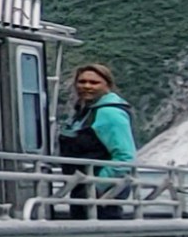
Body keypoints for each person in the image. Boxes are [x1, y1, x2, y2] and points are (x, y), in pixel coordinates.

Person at [58, 62, 137, 219]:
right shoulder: (83, 112)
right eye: (82, 82)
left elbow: (125, 156)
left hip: (101, 193)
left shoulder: (109, 113)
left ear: (107, 85)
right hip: (80, 186)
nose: (87, 86)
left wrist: (96, 185)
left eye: (94, 82)